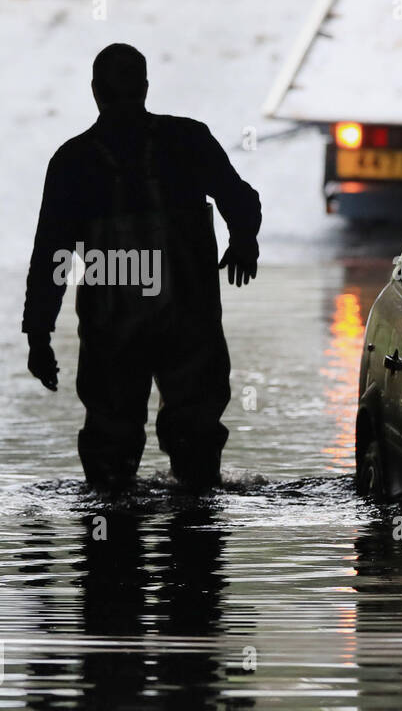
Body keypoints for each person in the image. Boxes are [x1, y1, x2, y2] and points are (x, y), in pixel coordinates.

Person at [22, 43, 262, 490]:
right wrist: (243, 240)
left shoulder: (73, 162)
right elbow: (240, 199)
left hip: (111, 328)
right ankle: (195, 535)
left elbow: (51, 257)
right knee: (196, 454)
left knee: (110, 465)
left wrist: (39, 335)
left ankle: (112, 542)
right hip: (189, 320)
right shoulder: (188, 140)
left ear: (95, 92)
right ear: (145, 87)